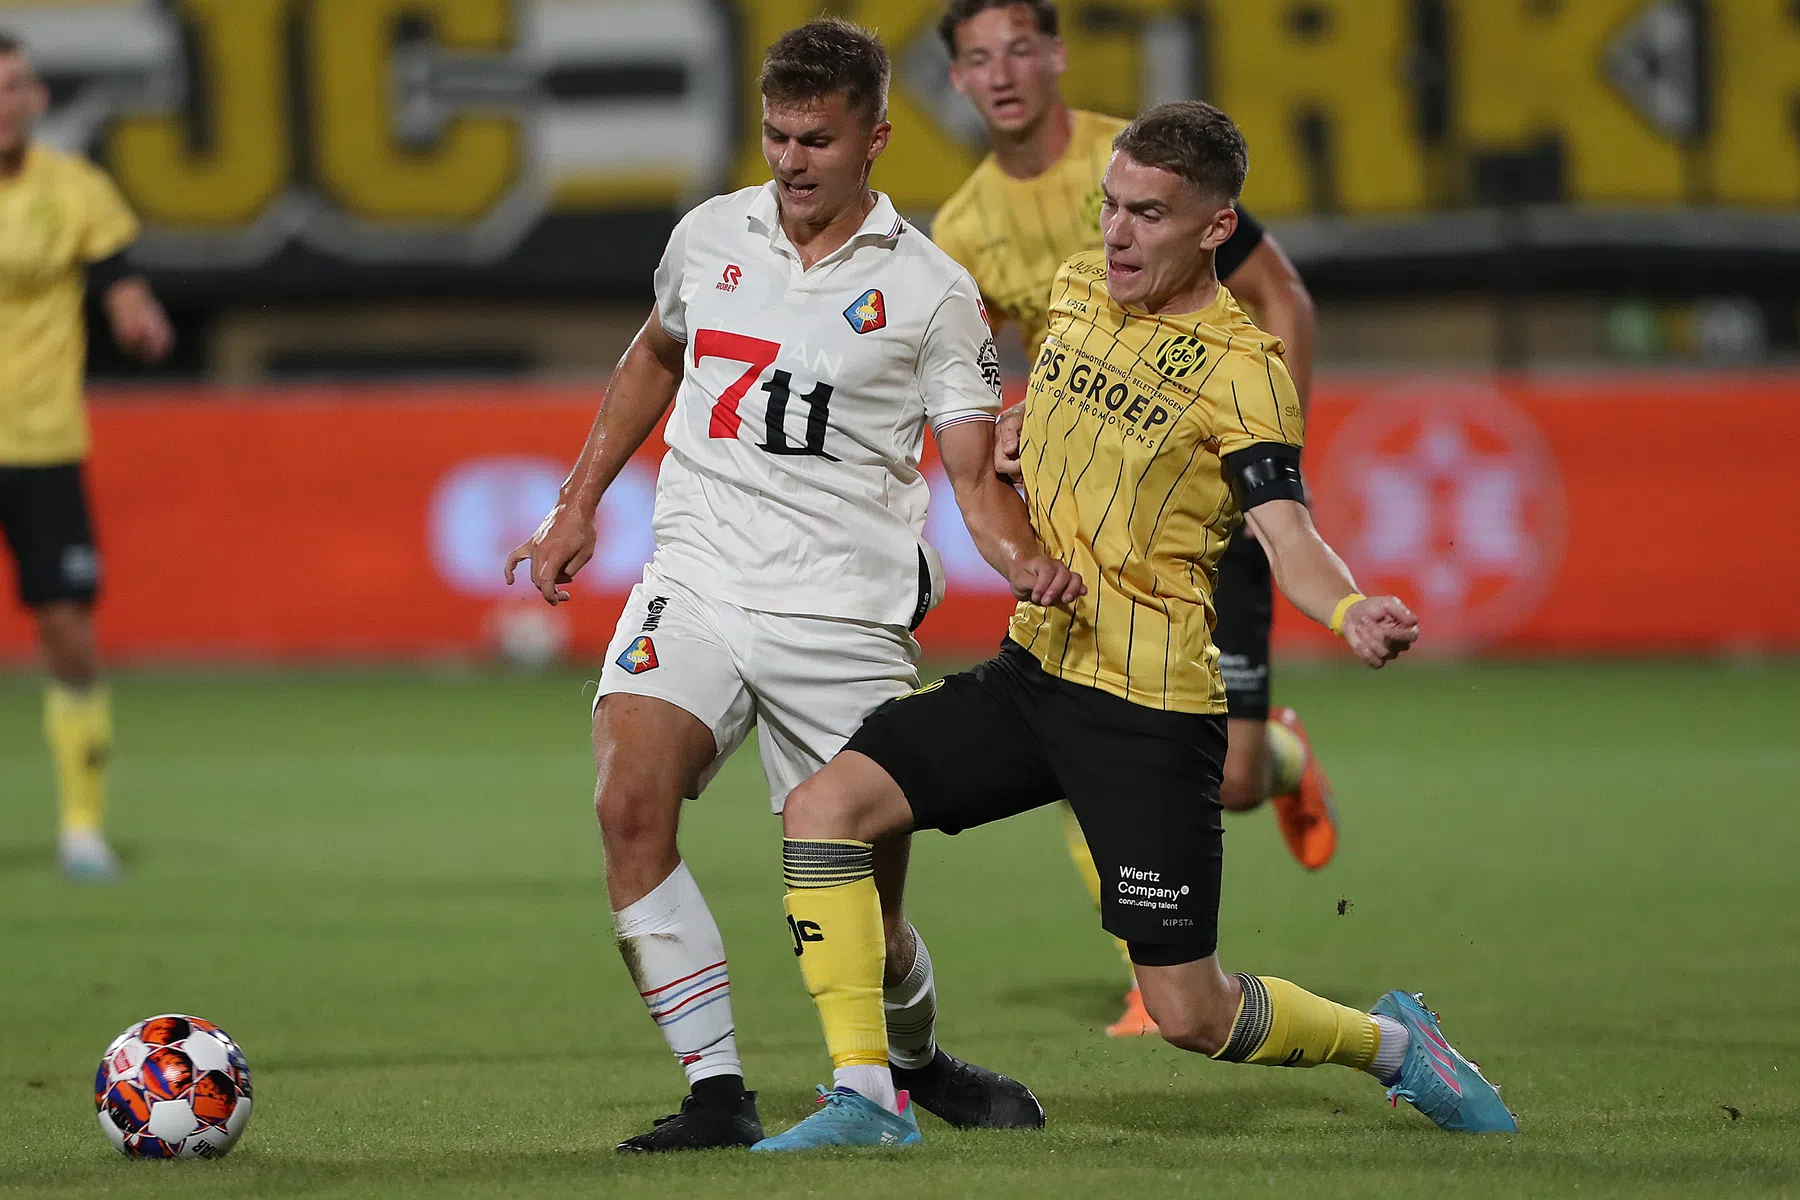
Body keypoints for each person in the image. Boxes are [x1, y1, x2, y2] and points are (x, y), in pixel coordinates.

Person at [751, 101, 1516, 1152]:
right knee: (824, 809)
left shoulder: (1245, 368)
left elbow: (1285, 531)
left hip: (1148, 710)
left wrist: (1348, 606)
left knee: (1187, 1013)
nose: (1116, 233)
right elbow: (1047, 418)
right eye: (1110, 205)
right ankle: (867, 1098)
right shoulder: (1073, 289)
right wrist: (1025, 435)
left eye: (1149, 215)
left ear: (1214, 227)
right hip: (1035, 672)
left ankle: (1394, 1048)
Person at [505, 19, 1076, 1152]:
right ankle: (717, 1092)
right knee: (628, 802)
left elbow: (969, 466)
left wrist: (1020, 561)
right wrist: (577, 503)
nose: (793, 158)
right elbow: (657, 354)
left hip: (847, 612)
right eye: (776, 134)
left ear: (876, 137)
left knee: (869, 907)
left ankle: (912, 1061)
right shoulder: (710, 235)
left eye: (818, 137)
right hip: (701, 576)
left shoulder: (932, 292)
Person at [930, 0, 1336, 1038]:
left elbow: (1279, 298)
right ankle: (1144, 978)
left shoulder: (1142, 158)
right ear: (960, 82)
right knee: (1080, 713)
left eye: (1021, 46)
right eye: (978, 57)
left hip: (1204, 489)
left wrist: (1264, 470)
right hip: (1104, 515)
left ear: (1058, 56)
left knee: (1235, 778)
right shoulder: (964, 228)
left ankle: (1277, 759)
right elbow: (1013, 359)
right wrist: (1020, 420)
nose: (1004, 72)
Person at [0, 32, 172, 881]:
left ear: (36, 98)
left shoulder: (76, 190)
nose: (9, 101)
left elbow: (121, 282)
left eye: (19, 85)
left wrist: (138, 318)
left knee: (68, 633)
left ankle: (80, 827)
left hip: (40, 443)